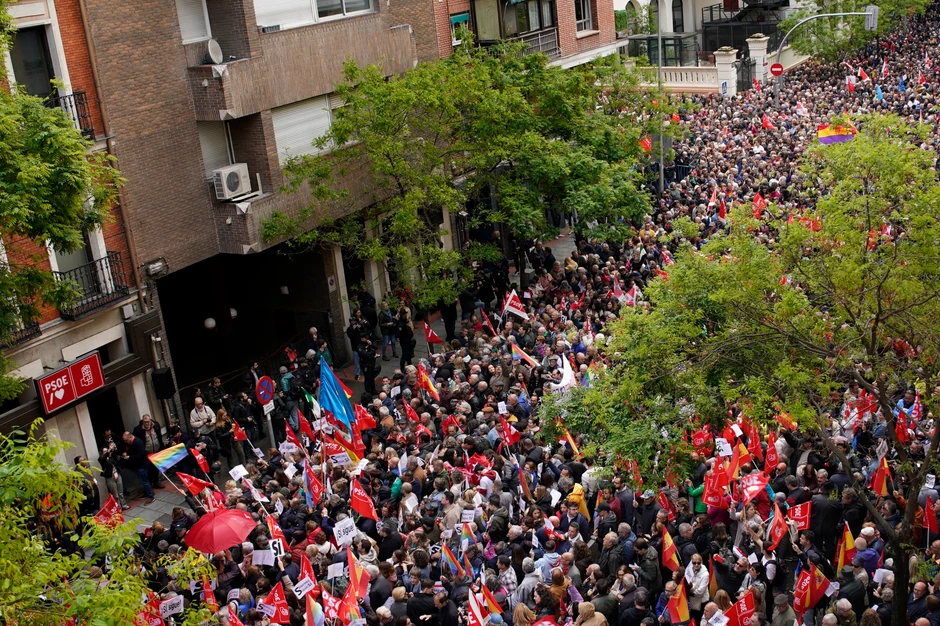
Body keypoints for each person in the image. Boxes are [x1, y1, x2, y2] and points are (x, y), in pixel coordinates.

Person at [133, 413, 165, 489]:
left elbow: (159, 436)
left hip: (156, 450)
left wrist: (161, 447)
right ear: (142, 421)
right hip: (147, 453)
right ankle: (150, 483)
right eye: (145, 422)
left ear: (150, 420)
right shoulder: (138, 429)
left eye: (148, 422)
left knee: (156, 467)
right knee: (148, 469)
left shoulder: (156, 425)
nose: (147, 424)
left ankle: (156, 481)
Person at [121, 431, 154, 503]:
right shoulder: (132, 443)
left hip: (141, 465)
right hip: (138, 465)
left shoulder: (137, 442)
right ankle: (147, 492)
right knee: (143, 480)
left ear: (130, 437)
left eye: (126, 440)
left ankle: (150, 495)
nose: (126, 442)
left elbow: (140, 455)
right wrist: (126, 453)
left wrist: (129, 457)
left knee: (145, 481)